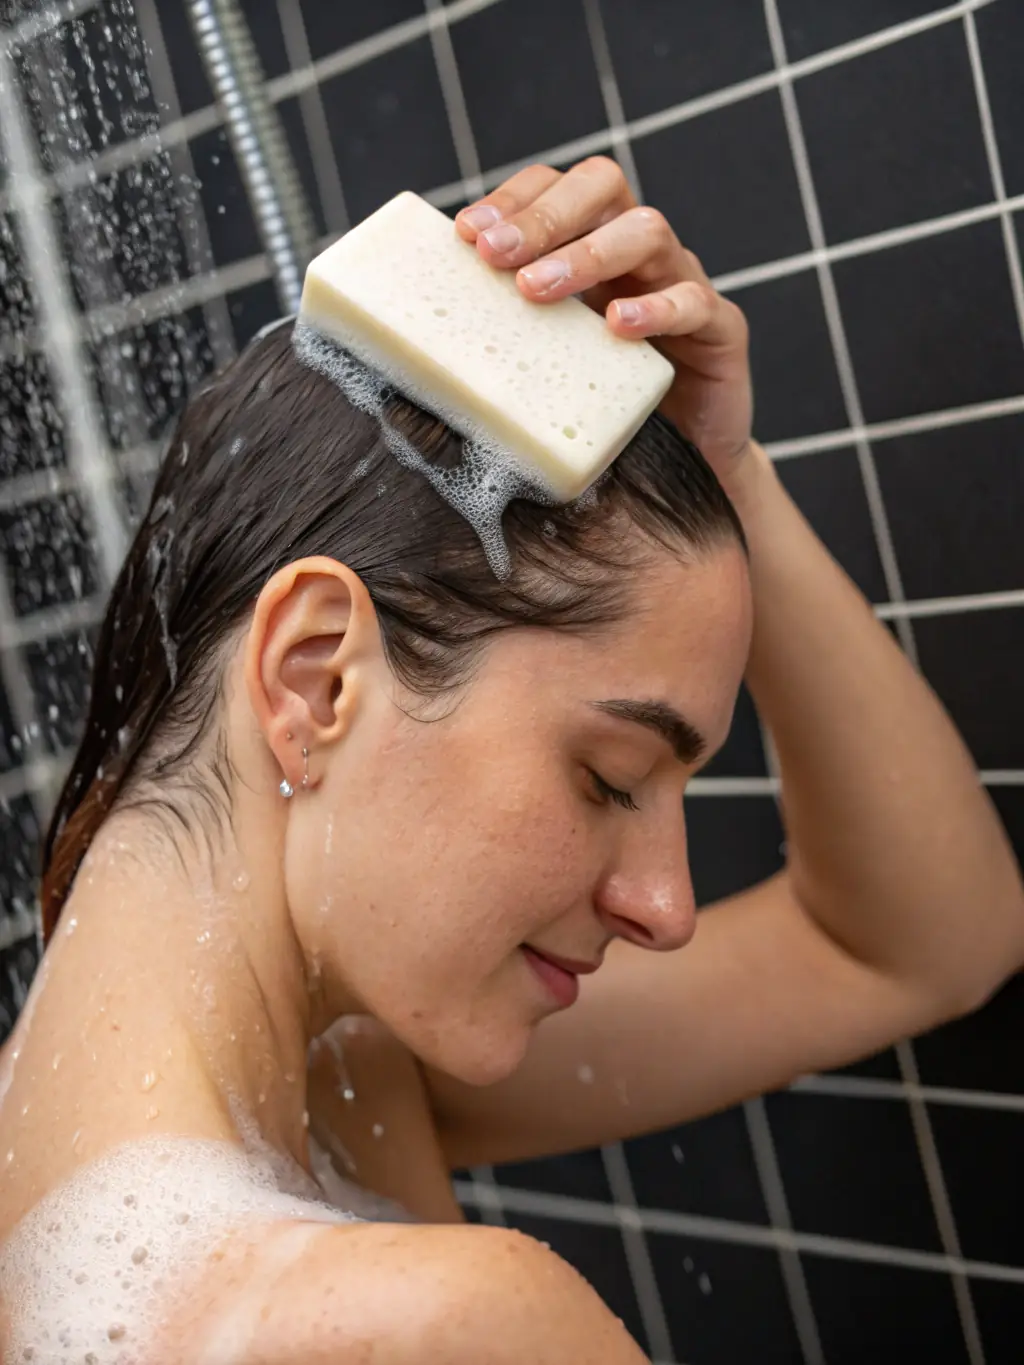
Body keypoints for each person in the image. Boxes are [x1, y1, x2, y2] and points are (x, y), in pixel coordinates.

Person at [0, 155, 1021, 1363]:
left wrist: (718, 469)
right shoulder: (437, 1321)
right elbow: (901, 954)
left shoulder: (310, 1090)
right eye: (608, 776)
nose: (665, 906)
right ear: (314, 676)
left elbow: (919, 944)